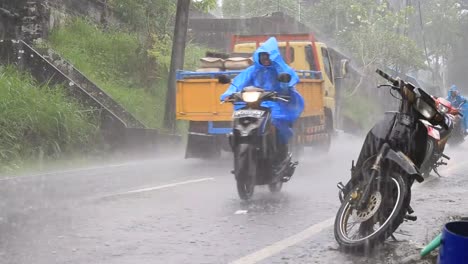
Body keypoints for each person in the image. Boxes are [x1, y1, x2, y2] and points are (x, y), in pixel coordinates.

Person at [220, 37, 305, 166]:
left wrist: (284, 85)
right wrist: (229, 94)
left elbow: (288, 83)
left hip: (274, 103)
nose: (265, 59)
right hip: (252, 103)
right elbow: (238, 83)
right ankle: (240, 144)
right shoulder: (253, 70)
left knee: (277, 121)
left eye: (268, 57)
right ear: (258, 57)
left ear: (273, 57)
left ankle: (280, 152)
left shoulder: (280, 69)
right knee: (238, 119)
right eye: (262, 57)